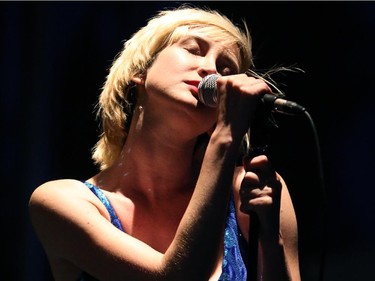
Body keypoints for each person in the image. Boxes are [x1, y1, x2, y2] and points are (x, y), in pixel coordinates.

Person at [29, 5, 300, 281]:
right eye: (194, 50)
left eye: (225, 68)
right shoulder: (63, 202)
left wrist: (270, 241)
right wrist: (226, 136)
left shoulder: (248, 188)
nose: (211, 71)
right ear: (141, 70)